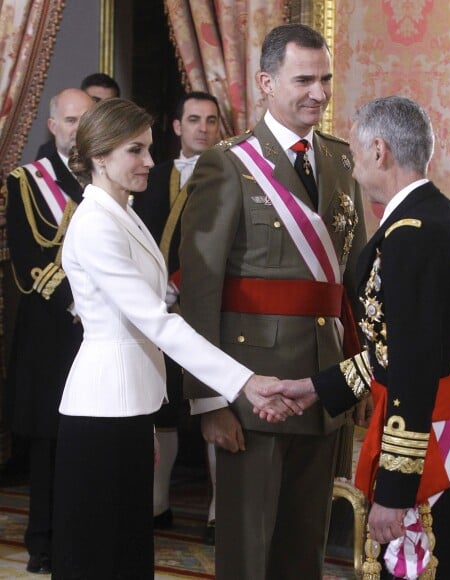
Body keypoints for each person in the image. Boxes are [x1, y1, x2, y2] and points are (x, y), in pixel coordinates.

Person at [51, 97, 297, 580]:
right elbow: (155, 319)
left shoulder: (123, 210)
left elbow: (159, 293)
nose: (148, 161)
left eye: (148, 149)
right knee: (99, 552)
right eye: (135, 151)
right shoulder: (97, 220)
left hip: (131, 400)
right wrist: (242, 381)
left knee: (127, 546)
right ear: (100, 157)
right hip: (103, 405)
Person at [273, 96, 450, 579]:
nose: (354, 166)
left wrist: (395, 493)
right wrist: (316, 389)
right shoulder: (447, 219)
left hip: (437, 447)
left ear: (378, 150)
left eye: (357, 151)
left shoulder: (410, 237)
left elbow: (413, 372)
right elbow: (395, 351)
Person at [179, 23, 367, 580]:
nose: (320, 92)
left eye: (326, 79)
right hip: (252, 386)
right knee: (248, 548)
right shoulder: (228, 163)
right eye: (304, 79)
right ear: (266, 82)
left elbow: (349, 285)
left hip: (322, 380)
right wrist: (209, 400)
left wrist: (353, 377)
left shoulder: (341, 160)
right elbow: (201, 289)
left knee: (303, 545)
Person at [3, 87, 94, 574]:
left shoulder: (108, 175)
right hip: (52, 329)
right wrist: (76, 302)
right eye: (72, 119)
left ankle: (86, 535)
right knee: (48, 441)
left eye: (88, 120)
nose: (79, 129)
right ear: (53, 125)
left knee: (92, 437)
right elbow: (27, 258)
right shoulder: (26, 181)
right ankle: (43, 541)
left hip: (101, 331)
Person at [131, 91, 221, 536]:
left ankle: (218, 512)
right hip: (158, 313)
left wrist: (181, 284)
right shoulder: (151, 176)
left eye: (211, 120)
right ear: (177, 126)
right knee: (162, 407)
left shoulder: (234, 179)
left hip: (213, 311)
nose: (203, 127)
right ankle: (157, 503)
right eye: (194, 119)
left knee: (215, 403)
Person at [36, 73, 120, 160]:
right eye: (95, 101)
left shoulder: (122, 149)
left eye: (108, 103)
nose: (100, 109)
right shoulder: (49, 151)